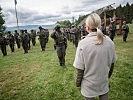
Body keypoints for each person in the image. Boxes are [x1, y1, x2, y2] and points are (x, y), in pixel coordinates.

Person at [73, 13, 117, 100]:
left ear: (87, 27)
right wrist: (107, 77)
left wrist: (78, 83)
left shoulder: (82, 43)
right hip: (103, 81)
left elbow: (80, 69)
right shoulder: (109, 42)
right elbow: (112, 65)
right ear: (100, 25)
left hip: (88, 84)